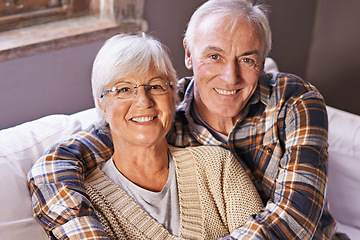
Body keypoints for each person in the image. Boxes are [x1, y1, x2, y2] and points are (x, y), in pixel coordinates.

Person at [28, 0, 338, 239]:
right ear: (189, 54)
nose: (230, 77)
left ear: (260, 62)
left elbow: (296, 220)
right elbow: (60, 163)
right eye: (214, 56)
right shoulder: (162, 109)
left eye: (247, 59)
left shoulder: (294, 101)